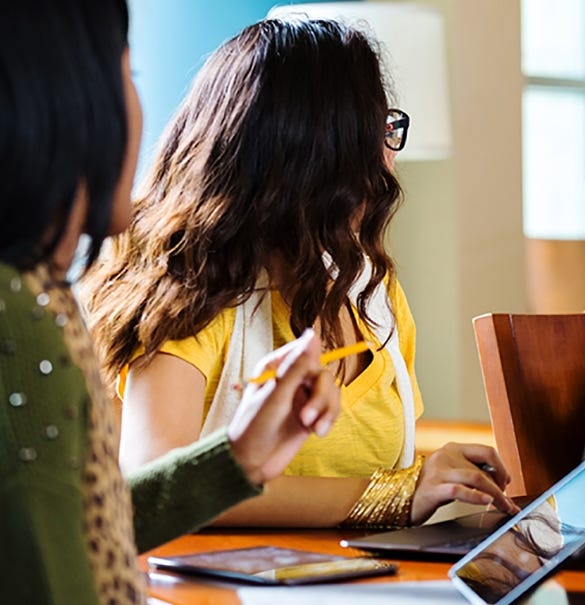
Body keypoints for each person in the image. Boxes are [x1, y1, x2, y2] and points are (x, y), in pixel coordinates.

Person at [80, 17, 518, 527]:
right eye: (377, 131)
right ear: (318, 155)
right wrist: (392, 496)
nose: (388, 159)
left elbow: (382, 475)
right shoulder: (191, 284)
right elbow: (149, 481)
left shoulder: (371, 288)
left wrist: (440, 480)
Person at [0, 1, 343, 602]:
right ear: (65, 104)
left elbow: (83, 525)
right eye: (126, 79)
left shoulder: (34, 293)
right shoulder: (18, 320)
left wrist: (236, 458)